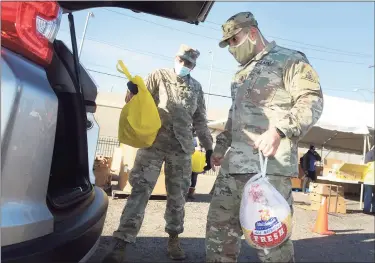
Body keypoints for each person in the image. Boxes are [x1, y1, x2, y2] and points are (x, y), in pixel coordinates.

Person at [206, 12, 324, 263]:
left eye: (234, 40)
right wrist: (220, 147)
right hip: (233, 167)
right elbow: (233, 115)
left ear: (252, 33)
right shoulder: (240, 75)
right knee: (218, 237)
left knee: (271, 245)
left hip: (269, 169)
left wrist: (279, 130)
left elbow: (312, 100)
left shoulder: (289, 60)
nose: (231, 48)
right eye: (227, 43)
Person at [103, 44, 213, 263]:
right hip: (153, 144)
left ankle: (173, 239)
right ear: (176, 58)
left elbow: (200, 120)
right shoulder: (158, 76)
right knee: (140, 191)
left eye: (189, 63)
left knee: (177, 197)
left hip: (181, 150)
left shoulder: (197, 88)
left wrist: (209, 148)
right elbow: (138, 98)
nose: (185, 65)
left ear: (194, 66)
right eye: (182, 61)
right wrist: (131, 91)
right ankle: (122, 242)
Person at [363, 146, 375, 215]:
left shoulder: (369, 154)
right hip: (371, 178)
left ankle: (367, 210)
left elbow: (365, 165)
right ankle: (374, 210)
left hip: (369, 178)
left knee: (368, 194)